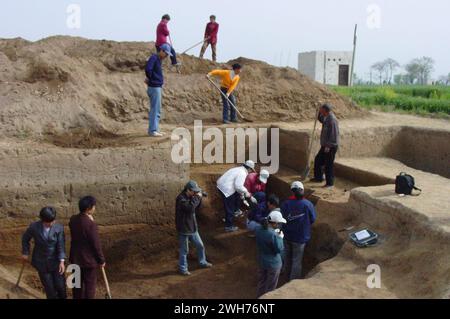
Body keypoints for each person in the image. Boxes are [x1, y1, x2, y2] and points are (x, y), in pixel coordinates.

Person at [21, 207, 67, 299]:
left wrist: (62, 261)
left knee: (60, 286)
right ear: (42, 220)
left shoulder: (59, 228)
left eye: (52, 221)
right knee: (50, 289)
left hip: (55, 262)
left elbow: (61, 245)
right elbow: (25, 239)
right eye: (48, 222)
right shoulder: (34, 227)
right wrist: (25, 252)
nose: (51, 223)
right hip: (41, 262)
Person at [69, 196, 105, 299]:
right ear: (89, 208)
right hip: (88, 261)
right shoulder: (90, 225)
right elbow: (96, 244)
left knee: (76, 285)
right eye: (94, 206)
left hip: (75, 258)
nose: (94, 208)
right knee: (89, 286)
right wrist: (101, 260)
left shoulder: (73, 219)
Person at [175, 181, 212, 276]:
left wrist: (198, 198)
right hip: (184, 229)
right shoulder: (181, 199)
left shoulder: (192, 197)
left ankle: (202, 261)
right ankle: (183, 269)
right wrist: (197, 197)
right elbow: (190, 208)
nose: (195, 193)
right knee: (184, 250)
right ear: (188, 190)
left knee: (200, 245)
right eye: (194, 191)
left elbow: (196, 208)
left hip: (192, 227)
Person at [281, 181, 316, 281]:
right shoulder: (307, 204)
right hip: (301, 237)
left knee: (287, 256)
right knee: (296, 260)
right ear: (302, 190)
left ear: (292, 191)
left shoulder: (285, 204)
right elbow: (312, 219)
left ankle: (285, 274)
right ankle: (293, 281)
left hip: (287, 235)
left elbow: (281, 219)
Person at [217, 160, 257, 232]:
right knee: (230, 207)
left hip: (221, 185)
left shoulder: (237, 169)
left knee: (236, 195)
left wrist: (242, 196)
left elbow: (238, 187)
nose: (251, 172)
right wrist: (248, 195)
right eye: (251, 170)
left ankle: (236, 210)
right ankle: (229, 226)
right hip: (227, 189)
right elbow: (238, 186)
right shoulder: (243, 173)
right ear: (249, 169)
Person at [255, 210, 286, 298]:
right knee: (271, 286)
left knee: (262, 282)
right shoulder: (273, 235)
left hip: (262, 260)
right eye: (279, 223)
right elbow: (279, 249)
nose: (279, 225)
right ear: (275, 223)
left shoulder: (258, 229)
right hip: (273, 263)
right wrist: (280, 238)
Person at [311, 103, 340, 188]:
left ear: (325, 111)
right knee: (318, 160)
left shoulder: (332, 120)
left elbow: (334, 135)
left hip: (330, 146)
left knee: (328, 165)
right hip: (325, 145)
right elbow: (321, 119)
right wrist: (318, 113)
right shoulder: (326, 117)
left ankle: (330, 183)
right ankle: (318, 178)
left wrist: (328, 146)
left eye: (321, 110)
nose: (321, 112)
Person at [145, 44, 171, 137]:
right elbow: (148, 69)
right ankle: (153, 130)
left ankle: (155, 129)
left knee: (157, 109)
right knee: (155, 109)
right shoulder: (154, 58)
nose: (166, 56)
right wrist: (150, 79)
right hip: (154, 87)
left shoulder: (157, 59)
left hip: (156, 86)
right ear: (162, 51)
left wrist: (150, 79)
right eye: (166, 54)